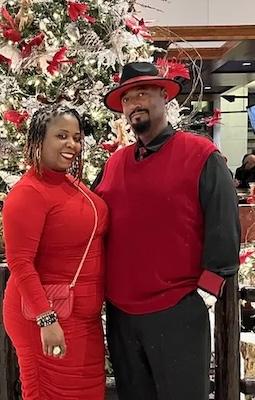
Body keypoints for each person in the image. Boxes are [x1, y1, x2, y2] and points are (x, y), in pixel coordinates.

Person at [93, 62, 240, 400]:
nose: (134, 104)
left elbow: (223, 224)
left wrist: (205, 294)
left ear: (164, 95)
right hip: (122, 315)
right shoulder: (114, 163)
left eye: (142, 93)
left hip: (178, 310)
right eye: (127, 99)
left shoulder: (201, 155)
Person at [2, 105, 108, 400]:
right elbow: (20, 263)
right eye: (61, 136)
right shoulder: (27, 193)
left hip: (80, 320)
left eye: (76, 137)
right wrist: (46, 320)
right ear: (38, 140)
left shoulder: (72, 185)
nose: (72, 144)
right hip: (46, 318)